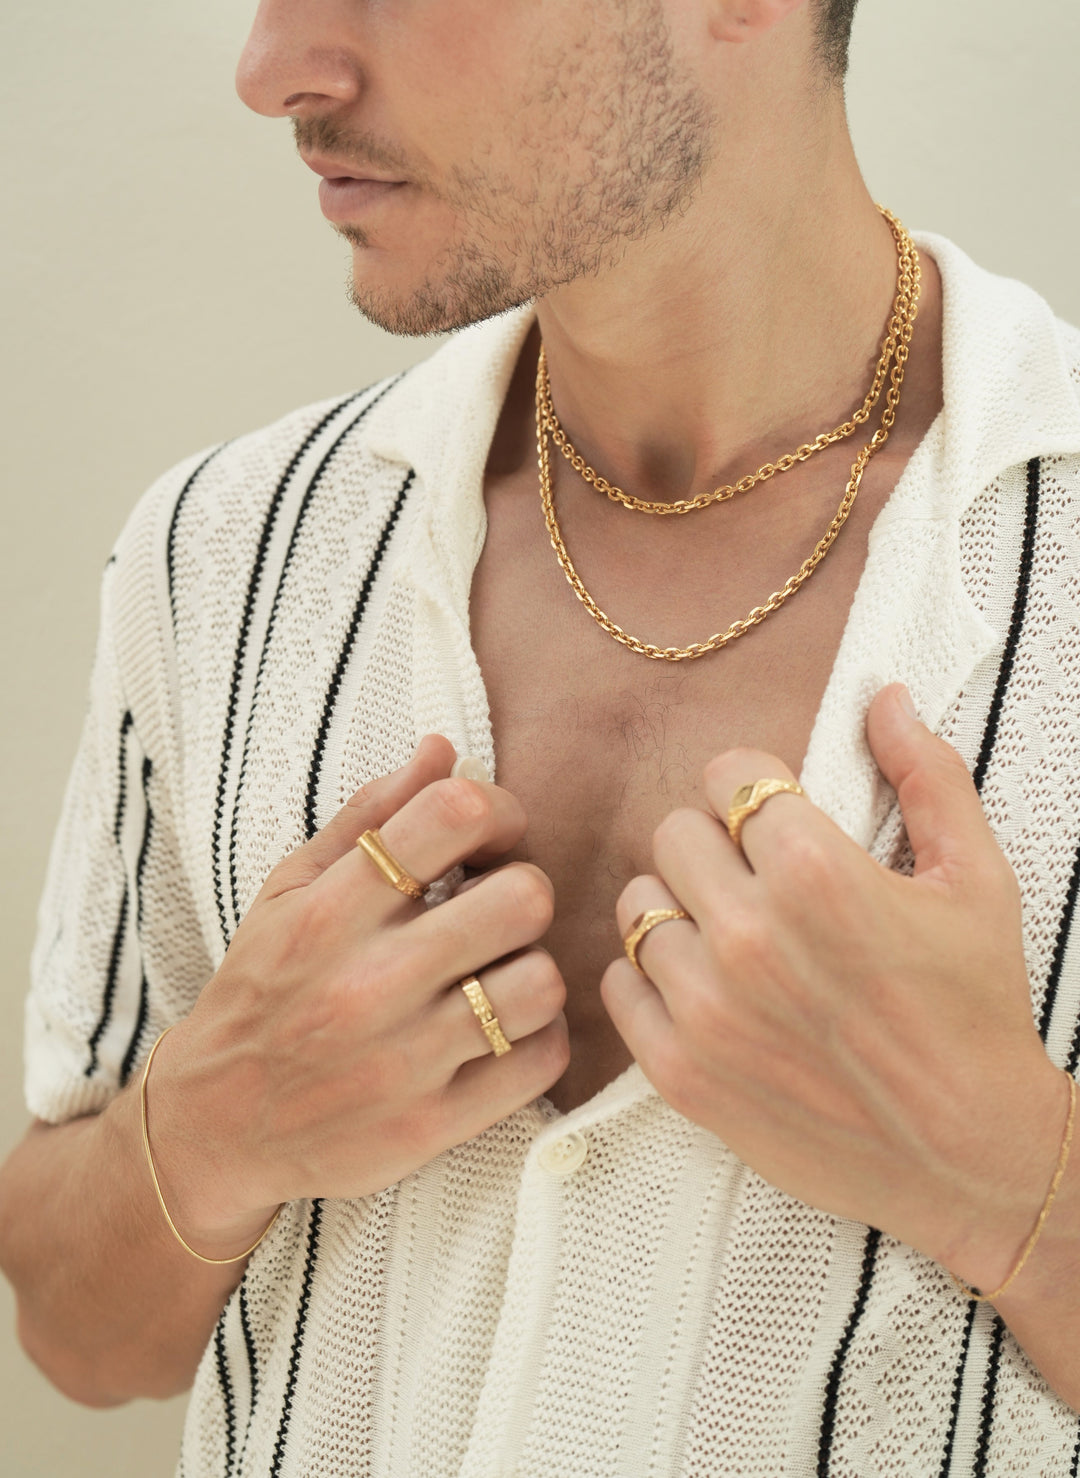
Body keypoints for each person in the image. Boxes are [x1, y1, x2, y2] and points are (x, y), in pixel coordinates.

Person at [3, 0, 1080, 1472]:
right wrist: (214, 1121)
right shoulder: (220, 557)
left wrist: (1018, 1181)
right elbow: (81, 1332)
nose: (273, 71)